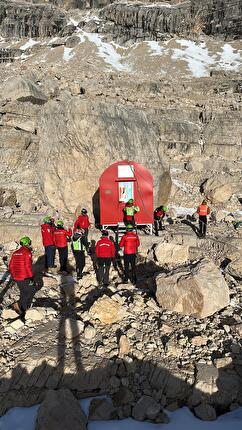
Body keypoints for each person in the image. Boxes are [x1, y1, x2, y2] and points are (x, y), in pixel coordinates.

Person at [9, 236, 35, 319]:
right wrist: (31, 277)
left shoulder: (15, 252)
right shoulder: (27, 252)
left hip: (16, 277)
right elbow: (28, 266)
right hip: (24, 276)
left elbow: (11, 266)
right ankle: (22, 310)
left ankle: (18, 305)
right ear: (27, 243)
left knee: (23, 291)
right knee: (28, 293)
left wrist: (13, 275)